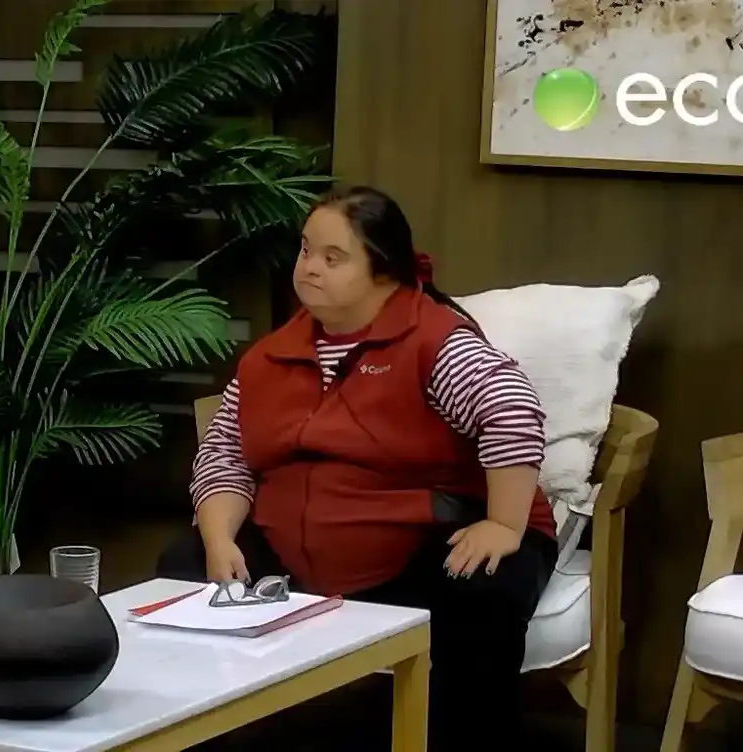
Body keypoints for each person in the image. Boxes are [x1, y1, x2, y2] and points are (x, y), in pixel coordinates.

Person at [156, 185, 556, 751]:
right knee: (185, 565)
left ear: (383, 270)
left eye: (333, 257)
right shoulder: (267, 359)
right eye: (305, 251)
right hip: (298, 548)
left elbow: (512, 408)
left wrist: (505, 524)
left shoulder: (435, 341)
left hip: (429, 539)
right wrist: (219, 537)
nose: (309, 268)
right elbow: (225, 453)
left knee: (483, 591)